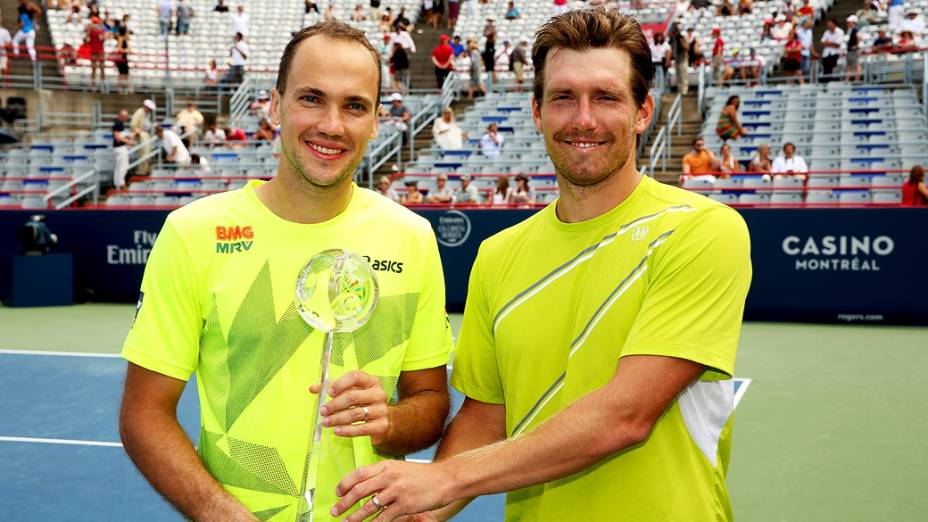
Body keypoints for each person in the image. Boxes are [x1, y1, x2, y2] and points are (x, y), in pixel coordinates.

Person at [330, 10, 751, 522]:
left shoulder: (702, 229)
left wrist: (442, 479)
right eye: (564, 97)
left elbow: (625, 416)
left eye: (607, 97)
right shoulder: (499, 254)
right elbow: (488, 415)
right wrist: (420, 512)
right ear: (537, 111)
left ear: (643, 112)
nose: (584, 119)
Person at [119, 20, 452, 522]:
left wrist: (388, 419)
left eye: (354, 105)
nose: (332, 125)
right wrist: (221, 514)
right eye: (311, 98)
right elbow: (144, 414)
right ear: (275, 105)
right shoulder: (194, 232)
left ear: (377, 120)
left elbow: (429, 404)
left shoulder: (411, 237)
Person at [131, 99, 156, 176]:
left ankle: (146, 169)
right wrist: (139, 133)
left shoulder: (146, 114)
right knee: (144, 153)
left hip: (146, 134)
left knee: (147, 153)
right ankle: (142, 170)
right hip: (142, 134)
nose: (150, 111)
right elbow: (133, 124)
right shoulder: (139, 113)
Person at [112, 109, 135, 189]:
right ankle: (120, 183)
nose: (126, 118)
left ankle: (118, 183)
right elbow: (117, 137)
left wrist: (128, 136)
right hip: (120, 148)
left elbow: (121, 135)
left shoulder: (120, 124)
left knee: (120, 166)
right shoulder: (118, 124)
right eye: (125, 116)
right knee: (123, 166)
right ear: (121, 116)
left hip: (119, 147)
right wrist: (129, 142)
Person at [85, 15, 107, 87]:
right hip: (98, 51)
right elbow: (101, 39)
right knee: (100, 68)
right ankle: (99, 84)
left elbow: (87, 40)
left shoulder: (92, 31)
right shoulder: (98, 31)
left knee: (96, 68)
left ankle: (95, 85)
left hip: (96, 51)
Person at [844, 15, 861, 82]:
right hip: (850, 51)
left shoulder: (855, 30)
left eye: (849, 22)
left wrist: (856, 45)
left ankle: (857, 79)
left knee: (856, 65)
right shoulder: (852, 30)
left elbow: (859, 37)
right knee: (849, 66)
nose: (848, 24)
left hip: (853, 51)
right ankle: (847, 80)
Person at [114, 26, 131, 92]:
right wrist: (126, 50)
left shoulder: (124, 38)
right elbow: (119, 48)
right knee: (122, 74)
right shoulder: (120, 38)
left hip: (124, 57)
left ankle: (125, 89)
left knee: (125, 73)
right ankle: (120, 89)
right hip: (121, 58)